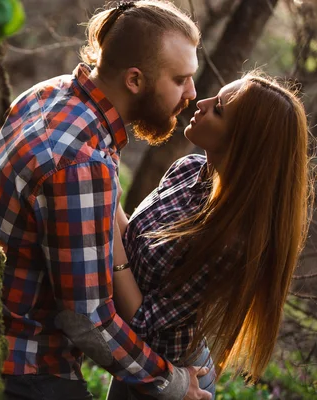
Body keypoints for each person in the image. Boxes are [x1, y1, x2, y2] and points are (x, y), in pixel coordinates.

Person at [0, 1, 213, 399]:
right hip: (27, 364)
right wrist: (173, 383)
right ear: (135, 81)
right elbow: (86, 321)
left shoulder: (51, 94)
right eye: (180, 80)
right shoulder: (80, 163)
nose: (192, 94)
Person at [107, 72, 313, 399]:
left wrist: (107, 232)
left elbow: (145, 324)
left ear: (242, 143)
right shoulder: (187, 170)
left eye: (217, 109)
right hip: (135, 363)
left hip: (175, 378)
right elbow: (132, 241)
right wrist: (107, 196)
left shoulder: (231, 240)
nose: (200, 103)